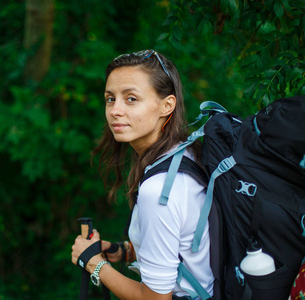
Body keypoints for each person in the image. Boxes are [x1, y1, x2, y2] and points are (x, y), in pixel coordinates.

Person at [71, 50, 214, 299]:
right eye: (110, 98)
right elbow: (188, 245)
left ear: (167, 105)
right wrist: (125, 251)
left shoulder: (159, 189)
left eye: (131, 99)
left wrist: (94, 263)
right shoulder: (186, 153)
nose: (115, 110)